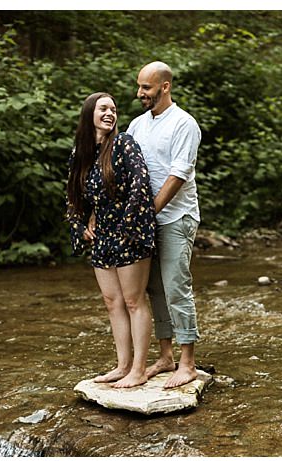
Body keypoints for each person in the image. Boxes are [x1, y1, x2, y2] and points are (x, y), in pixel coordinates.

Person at [66, 92, 156, 389]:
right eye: (103, 108)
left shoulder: (124, 143)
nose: (110, 113)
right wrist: (80, 226)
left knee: (133, 301)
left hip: (129, 232)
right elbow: (73, 197)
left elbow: (141, 183)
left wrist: (127, 224)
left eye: (113, 109)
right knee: (112, 301)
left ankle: (139, 369)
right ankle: (122, 366)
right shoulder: (81, 153)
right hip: (102, 236)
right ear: (89, 113)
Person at [126, 61, 202, 389]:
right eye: (139, 86)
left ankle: (188, 363)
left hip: (176, 217)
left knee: (175, 287)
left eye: (146, 87)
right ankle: (166, 355)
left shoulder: (184, 124)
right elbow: (126, 169)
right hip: (147, 220)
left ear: (165, 86)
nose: (140, 93)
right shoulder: (137, 125)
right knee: (152, 288)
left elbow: (178, 175)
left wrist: (149, 211)